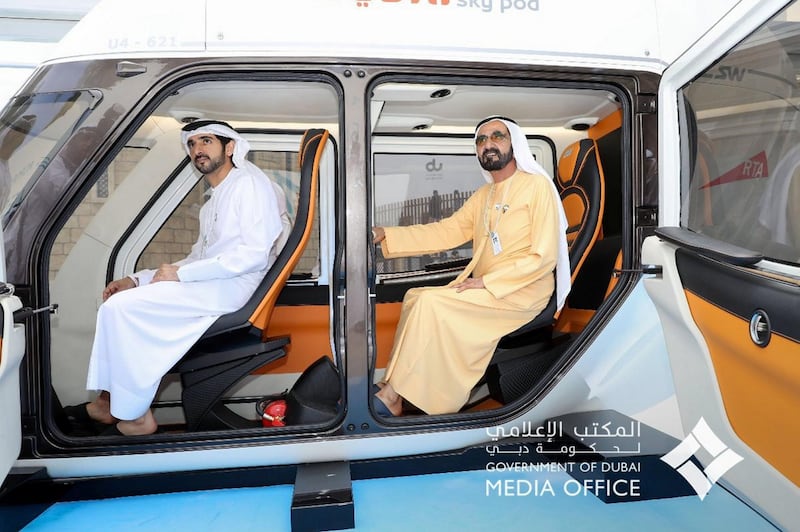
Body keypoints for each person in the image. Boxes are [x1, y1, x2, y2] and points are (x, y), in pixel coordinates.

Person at [65, 119, 284, 436]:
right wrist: (136, 279)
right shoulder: (213, 201)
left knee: (120, 310)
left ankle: (133, 415)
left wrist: (182, 275)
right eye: (193, 144)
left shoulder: (248, 184)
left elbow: (252, 256)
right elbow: (199, 256)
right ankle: (111, 404)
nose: (198, 150)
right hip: (213, 283)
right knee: (120, 302)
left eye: (207, 141)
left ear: (231, 147)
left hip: (235, 288)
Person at [372, 116, 569, 416]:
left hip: (522, 293)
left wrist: (487, 283)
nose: (488, 144)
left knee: (431, 303)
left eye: (496, 137)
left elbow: (543, 258)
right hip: (491, 291)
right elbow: (446, 231)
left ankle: (394, 396)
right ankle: (396, 387)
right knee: (416, 296)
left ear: (513, 143)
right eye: (481, 140)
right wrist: (388, 233)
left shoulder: (537, 187)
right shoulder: (484, 196)